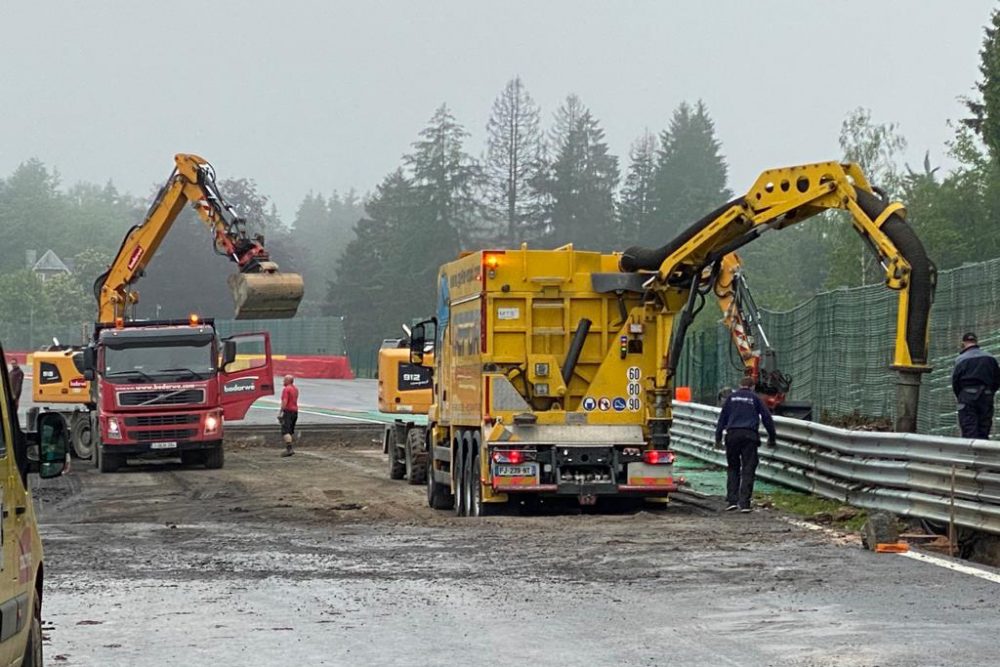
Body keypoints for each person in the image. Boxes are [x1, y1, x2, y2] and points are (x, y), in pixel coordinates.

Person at [715, 375, 776, 513]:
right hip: (749, 436)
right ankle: (745, 503)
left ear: (739, 385)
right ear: (753, 387)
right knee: (748, 468)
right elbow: (767, 418)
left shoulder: (731, 398)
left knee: (733, 468)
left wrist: (718, 438)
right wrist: (772, 437)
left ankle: (732, 500)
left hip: (732, 435)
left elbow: (722, 419)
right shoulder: (755, 399)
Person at [952, 332, 1000, 439]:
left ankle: (969, 454)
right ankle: (983, 453)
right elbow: (997, 379)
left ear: (963, 343)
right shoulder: (990, 358)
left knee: (969, 428)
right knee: (984, 427)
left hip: (967, 396)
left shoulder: (961, 359)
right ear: (976, 342)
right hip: (986, 395)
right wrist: (989, 392)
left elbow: (955, 382)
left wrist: (961, 396)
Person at [278, 374, 299, 457]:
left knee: (285, 431)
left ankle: (289, 449)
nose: (283, 381)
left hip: (288, 411)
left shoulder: (286, 389)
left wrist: (281, 412)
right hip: (295, 411)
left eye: (284, 380)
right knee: (290, 431)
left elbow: (284, 401)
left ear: (288, 381)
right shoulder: (295, 389)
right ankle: (289, 448)